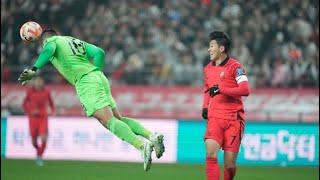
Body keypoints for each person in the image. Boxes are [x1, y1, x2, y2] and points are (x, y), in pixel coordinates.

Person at [18, 28, 165, 171]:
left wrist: (33, 70)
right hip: (98, 76)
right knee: (118, 118)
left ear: (45, 39)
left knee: (107, 121)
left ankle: (141, 145)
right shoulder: (72, 41)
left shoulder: (51, 42)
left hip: (85, 81)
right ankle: (152, 136)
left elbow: (49, 49)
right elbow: (99, 53)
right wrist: (96, 74)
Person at [202, 31, 250, 180]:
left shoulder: (236, 67)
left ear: (221, 48)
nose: (209, 49)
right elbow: (207, 89)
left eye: (211, 46)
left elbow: (245, 90)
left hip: (233, 119)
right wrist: (205, 106)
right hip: (215, 117)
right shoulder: (208, 68)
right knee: (210, 154)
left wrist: (222, 89)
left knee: (229, 164)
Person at [22, 76, 55, 166]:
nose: (39, 83)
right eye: (37, 81)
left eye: (40, 81)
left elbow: (52, 104)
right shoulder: (30, 92)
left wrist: (51, 112)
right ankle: (38, 150)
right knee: (34, 141)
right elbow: (24, 104)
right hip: (32, 119)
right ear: (34, 83)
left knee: (44, 138)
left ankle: (39, 156)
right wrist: (30, 112)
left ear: (43, 82)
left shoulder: (47, 92)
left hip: (43, 117)